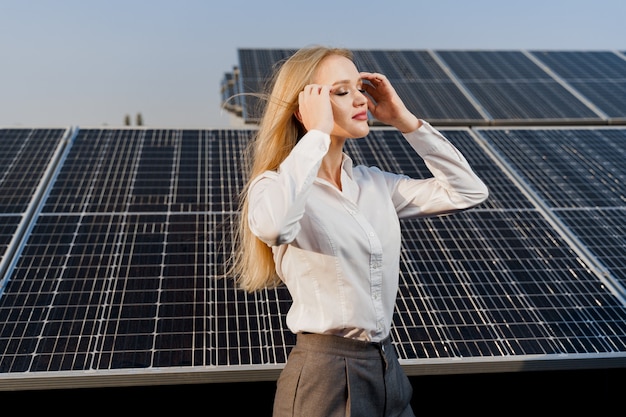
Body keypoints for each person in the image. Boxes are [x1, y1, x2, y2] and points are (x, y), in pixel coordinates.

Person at [231, 45, 489, 417]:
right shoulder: (274, 187)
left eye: (359, 88)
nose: (360, 99)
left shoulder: (374, 185)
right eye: (340, 91)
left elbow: (468, 191)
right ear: (305, 109)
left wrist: (406, 122)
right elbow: (274, 226)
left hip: (387, 366)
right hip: (326, 377)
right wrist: (317, 135)